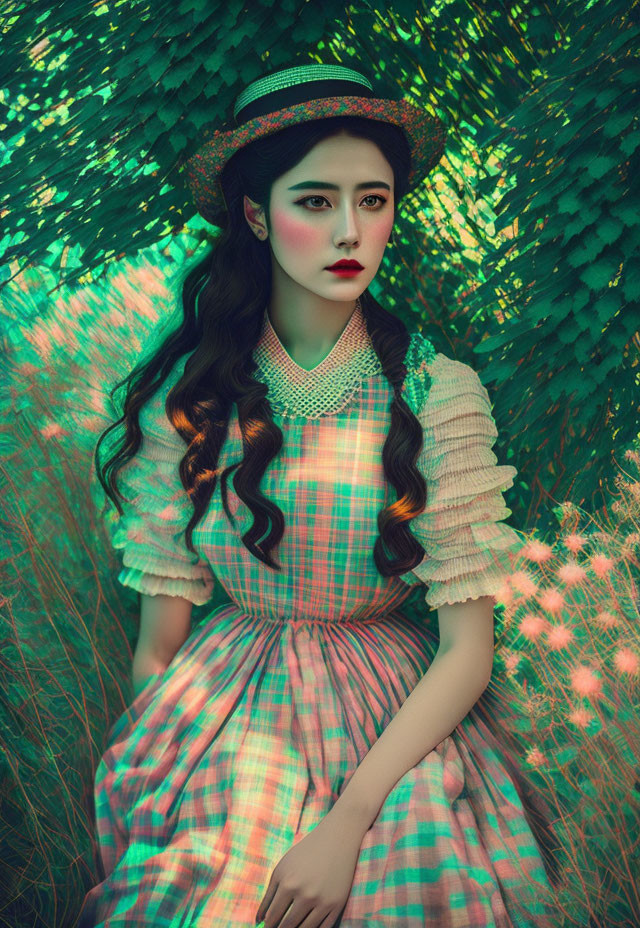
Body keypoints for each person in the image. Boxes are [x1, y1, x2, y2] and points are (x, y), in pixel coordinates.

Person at [78, 62, 561, 927]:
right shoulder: (190, 399)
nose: (350, 230)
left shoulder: (435, 392)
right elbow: (159, 645)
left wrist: (348, 816)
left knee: (406, 885)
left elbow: (466, 650)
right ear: (258, 216)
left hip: (395, 720)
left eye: (372, 201)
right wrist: (172, 759)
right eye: (315, 201)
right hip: (225, 706)